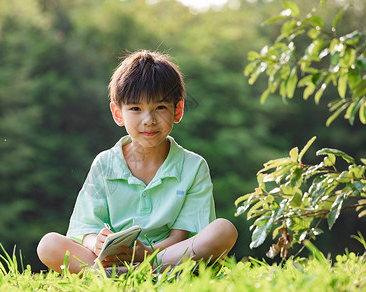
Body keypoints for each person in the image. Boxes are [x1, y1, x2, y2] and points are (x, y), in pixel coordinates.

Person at [37, 50, 238, 274]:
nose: (149, 120)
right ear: (118, 113)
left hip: (163, 255)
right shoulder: (105, 164)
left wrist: (145, 255)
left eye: (160, 107)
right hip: (109, 260)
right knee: (49, 244)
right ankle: (119, 274)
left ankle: (129, 275)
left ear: (177, 110)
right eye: (135, 109)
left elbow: (181, 236)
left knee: (223, 230)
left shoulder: (193, 166)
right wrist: (98, 244)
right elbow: (86, 228)